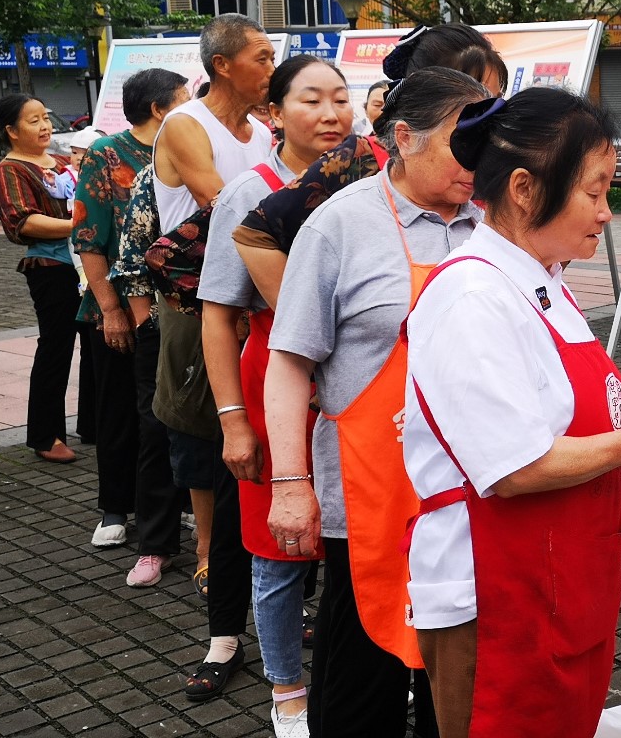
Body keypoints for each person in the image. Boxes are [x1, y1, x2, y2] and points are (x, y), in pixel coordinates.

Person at [402, 88, 621, 738]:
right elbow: (515, 467)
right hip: (495, 593)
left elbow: (554, 420)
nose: (607, 212)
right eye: (594, 191)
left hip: (560, 581)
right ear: (525, 190)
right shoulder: (472, 294)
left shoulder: (541, 280)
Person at [259, 67, 487, 737]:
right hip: (369, 497)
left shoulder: (494, 220)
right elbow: (289, 362)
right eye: (462, 144)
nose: (478, 163)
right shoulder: (340, 225)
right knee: (361, 690)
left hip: (472, 493)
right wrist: (291, 483)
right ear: (404, 138)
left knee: (460, 687)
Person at [197, 54, 353, 738]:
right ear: (273, 113)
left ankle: (351, 682)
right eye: (311, 100)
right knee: (278, 554)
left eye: (340, 99)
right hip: (275, 387)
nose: (331, 114)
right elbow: (217, 314)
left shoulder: (369, 179)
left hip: (355, 388)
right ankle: (287, 688)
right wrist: (234, 421)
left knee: (353, 547)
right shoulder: (250, 193)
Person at [149, 12, 275, 703]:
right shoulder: (185, 124)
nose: (270, 68)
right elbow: (224, 204)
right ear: (223, 64)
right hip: (199, 306)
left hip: (262, 310)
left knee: (262, 457)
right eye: (262, 57)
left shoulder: (263, 133)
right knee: (207, 438)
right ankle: (208, 563)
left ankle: (270, 594)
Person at [234, 22, 508, 259]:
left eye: (493, 100)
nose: (485, 115)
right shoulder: (358, 159)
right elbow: (257, 234)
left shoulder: (492, 165)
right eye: (470, 99)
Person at [71, 68, 192, 571]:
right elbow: (88, 237)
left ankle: (174, 504)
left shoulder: (187, 148)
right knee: (120, 413)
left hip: (171, 310)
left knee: (166, 415)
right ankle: (115, 508)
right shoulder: (109, 154)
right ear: (159, 108)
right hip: (118, 305)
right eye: (184, 99)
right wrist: (111, 309)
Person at [0, 93, 81, 464]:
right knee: (56, 348)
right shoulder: (11, 170)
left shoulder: (60, 162)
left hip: (85, 264)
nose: (44, 126)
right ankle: (45, 435)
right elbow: (23, 222)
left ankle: (93, 422)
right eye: (33, 120)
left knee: (99, 346)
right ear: (11, 131)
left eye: (45, 117)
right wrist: (78, 225)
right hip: (51, 268)